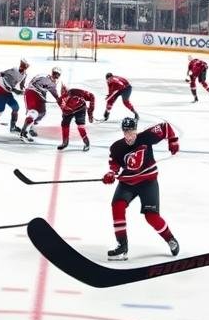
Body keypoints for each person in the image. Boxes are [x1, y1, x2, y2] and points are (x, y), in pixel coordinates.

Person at [102, 118, 180, 260]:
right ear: (123, 132)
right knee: (117, 206)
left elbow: (166, 127)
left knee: (151, 217)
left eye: (132, 131)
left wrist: (173, 140)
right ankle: (122, 245)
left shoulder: (146, 137)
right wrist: (111, 173)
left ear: (136, 130)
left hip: (148, 181)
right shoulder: (116, 147)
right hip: (128, 183)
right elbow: (114, 165)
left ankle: (170, 239)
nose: (129, 135)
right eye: (126, 132)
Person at [0, 59, 29, 137]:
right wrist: (14, 90)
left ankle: (13, 127)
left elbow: (21, 85)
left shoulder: (24, 75)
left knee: (16, 107)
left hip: (7, 91)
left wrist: (25, 90)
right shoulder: (13, 70)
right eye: (22, 66)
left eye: (24, 67)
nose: (22, 68)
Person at [20, 66, 62, 142]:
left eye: (57, 75)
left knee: (42, 113)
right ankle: (23, 132)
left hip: (40, 96)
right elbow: (32, 84)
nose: (56, 76)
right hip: (32, 93)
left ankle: (31, 127)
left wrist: (60, 101)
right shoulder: (43, 76)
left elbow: (54, 94)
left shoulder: (53, 84)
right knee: (33, 112)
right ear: (52, 73)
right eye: (55, 74)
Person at [58, 85, 95, 151]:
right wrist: (65, 115)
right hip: (68, 112)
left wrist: (90, 112)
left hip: (80, 109)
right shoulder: (60, 100)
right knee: (64, 124)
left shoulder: (75, 91)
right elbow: (63, 110)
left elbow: (92, 96)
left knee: (80, 126)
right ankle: (65, 142)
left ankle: (86, 142)